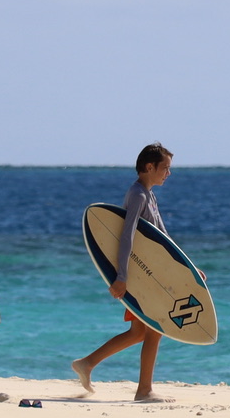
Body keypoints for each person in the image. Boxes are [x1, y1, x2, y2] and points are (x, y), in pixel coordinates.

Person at [72, 142, 178, 402]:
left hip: (146, 275)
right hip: (139, 276)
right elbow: (126, 237)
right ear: (149, 167)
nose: (169, 173)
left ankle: (87, 363)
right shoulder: (138, 194)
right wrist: (121, 276)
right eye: (165, 168)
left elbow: (163, 237)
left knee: (139, 333)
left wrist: (187, 268)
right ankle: (144, 391)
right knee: (155, 328)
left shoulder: (149, 195)